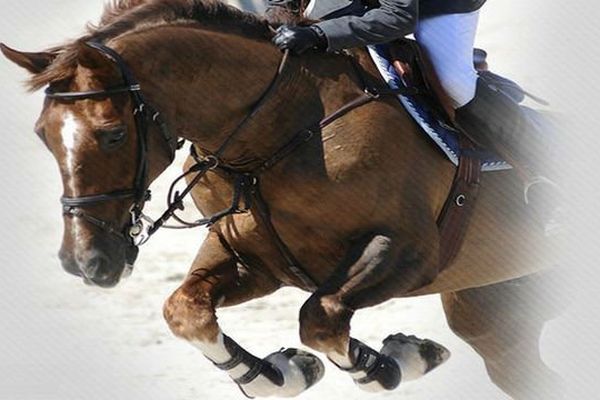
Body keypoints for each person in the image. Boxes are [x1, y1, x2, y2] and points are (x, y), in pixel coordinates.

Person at [269, 0, 561, 235]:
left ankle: (545, 169)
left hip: (437, 5)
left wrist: (319, 34)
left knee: (452, 83)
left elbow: (398, 16)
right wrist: (280, 15)